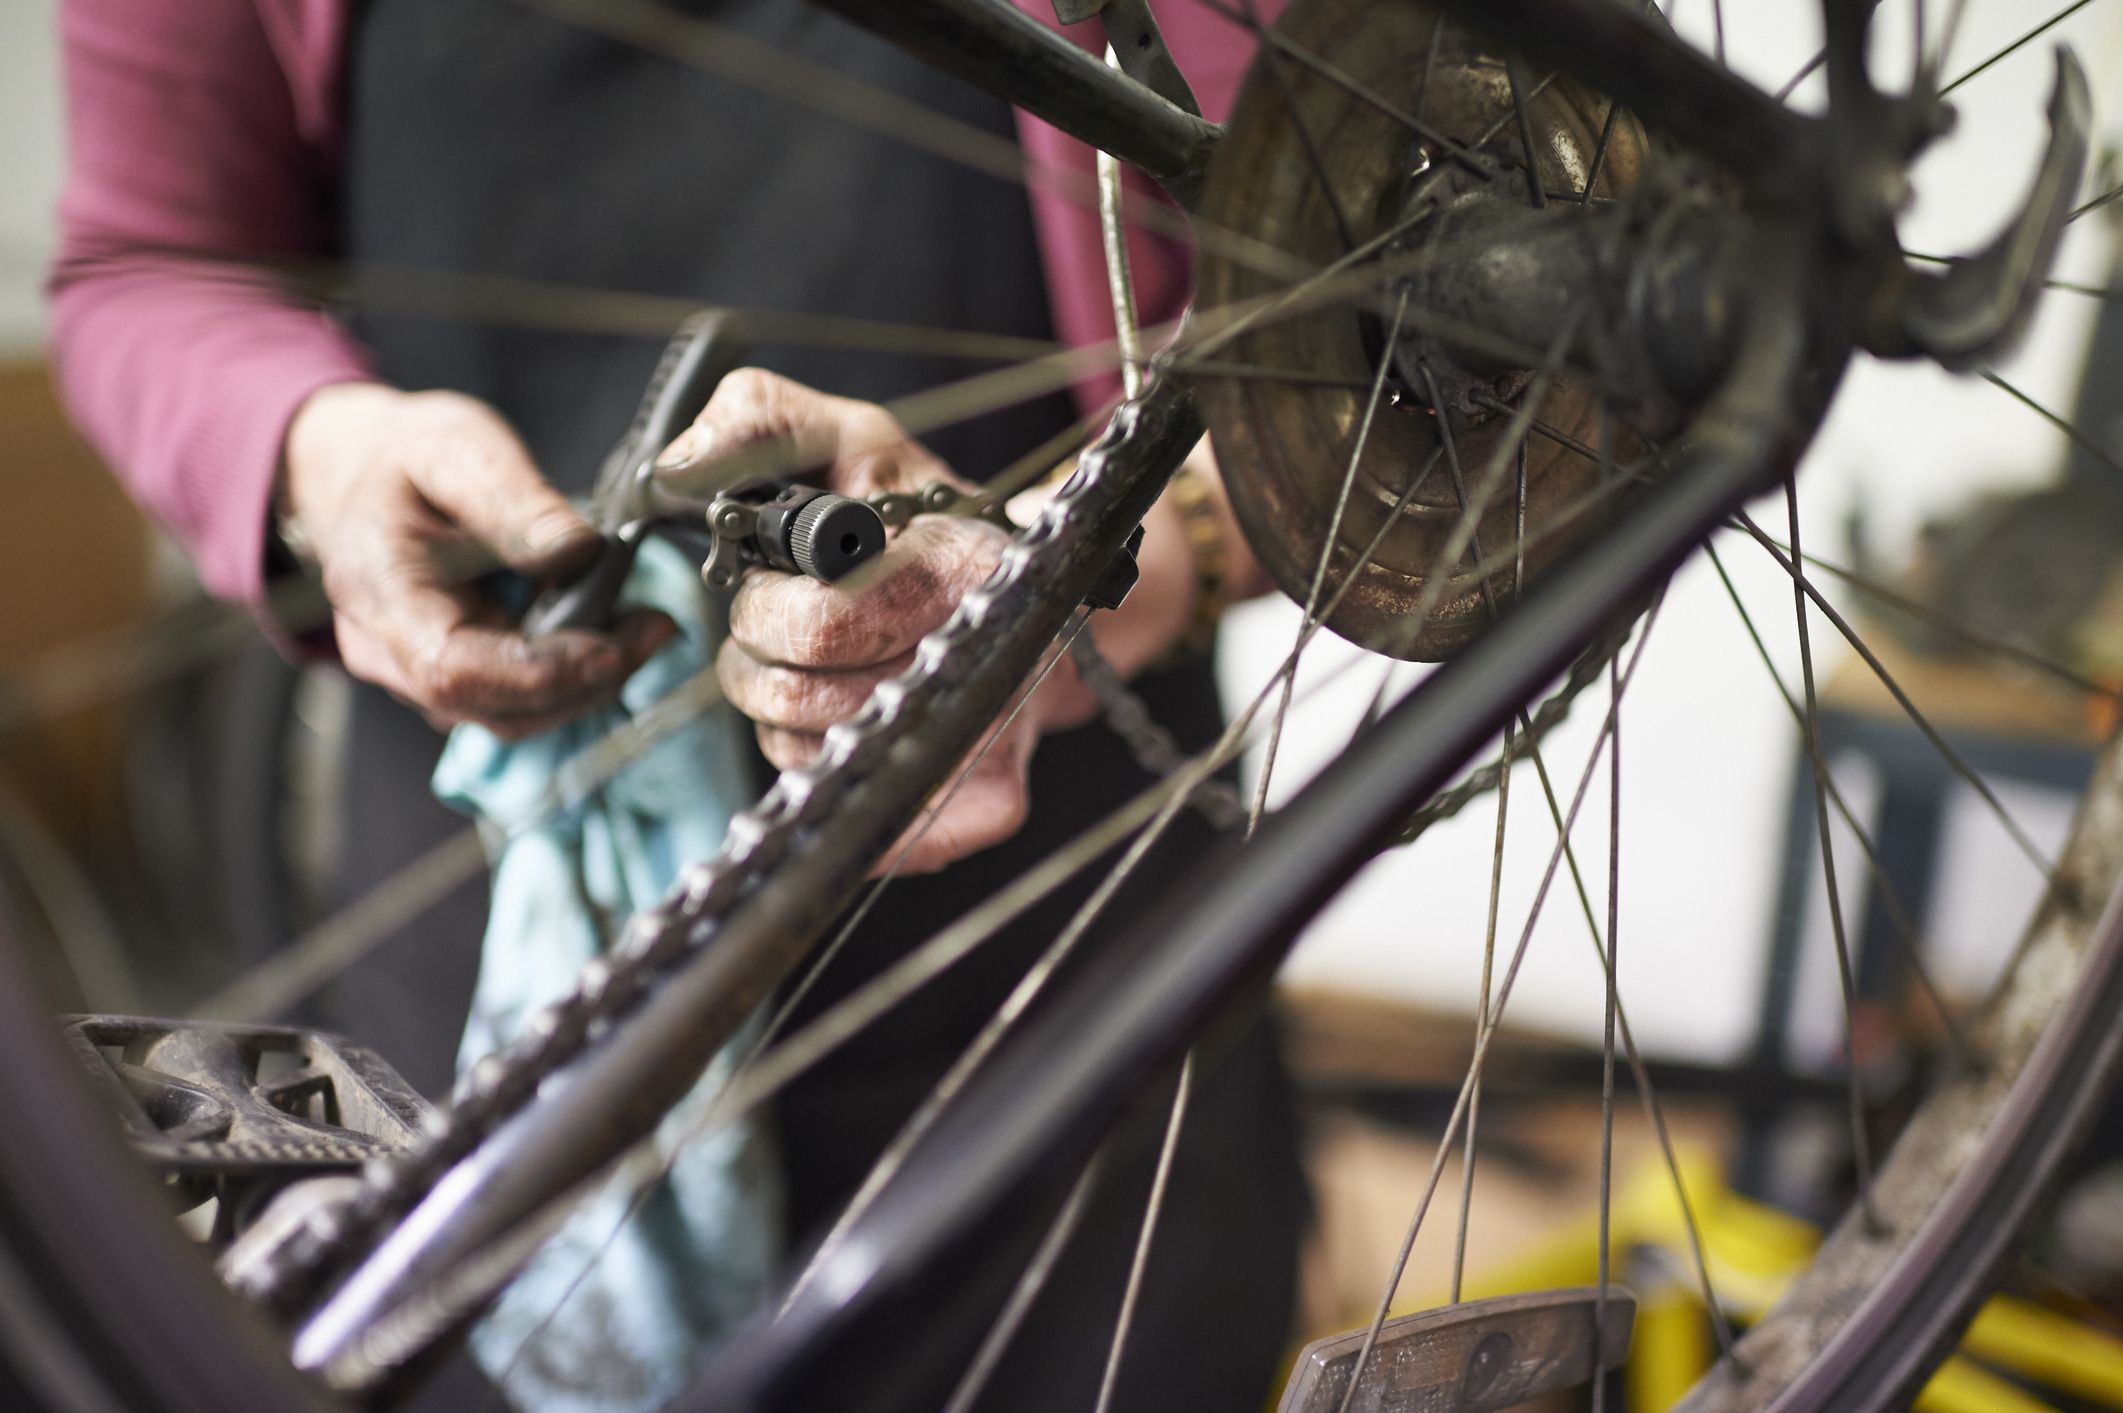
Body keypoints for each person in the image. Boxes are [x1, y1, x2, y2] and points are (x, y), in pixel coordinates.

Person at [50, 1, 1309, 1409]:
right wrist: (314, 455)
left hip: (1061, 978)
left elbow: (1405, 305)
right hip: (476, 966)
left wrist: (1096, 574)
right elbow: (146, 262)